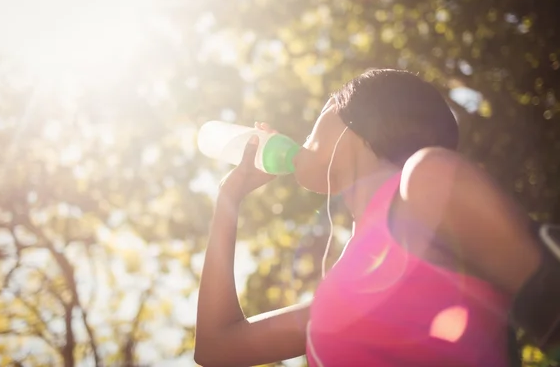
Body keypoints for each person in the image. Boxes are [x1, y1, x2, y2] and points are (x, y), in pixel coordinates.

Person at [194, 69, 542, 366]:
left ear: (354, 123)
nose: (305, 134)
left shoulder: (429, 182)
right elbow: (216, 346)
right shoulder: (342, 296)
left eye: (325, 107)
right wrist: (229, 198)